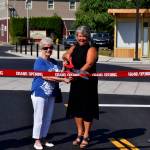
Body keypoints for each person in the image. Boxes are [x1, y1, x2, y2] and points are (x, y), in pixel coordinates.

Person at [62, 26, 99, 149]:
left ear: (88, 37)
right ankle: (79, 133)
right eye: (79, 36)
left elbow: (88, 64)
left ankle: (86, 135)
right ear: (76, 37)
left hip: (88, 83)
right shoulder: (74, 47)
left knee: (87, 110)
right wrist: (65, 59)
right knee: (76, 109)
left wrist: (76, 74)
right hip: (76, 82)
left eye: (83, 36)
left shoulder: (92, 49)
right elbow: (65, 54)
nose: (81, 38)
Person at [31, 37, 69, 150]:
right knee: (39, 117)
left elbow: (59, 74)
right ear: (41, 49)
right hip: (39, 92)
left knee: (48, 117)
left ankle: (44, 137)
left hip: (51, 93)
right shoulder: (39, 61)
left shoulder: (53, 61)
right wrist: (63, 80)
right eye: (46, 48)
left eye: (51, 47)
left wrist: (64, 66)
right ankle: (37, 140)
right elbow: (46, 76)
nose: (48, 50)